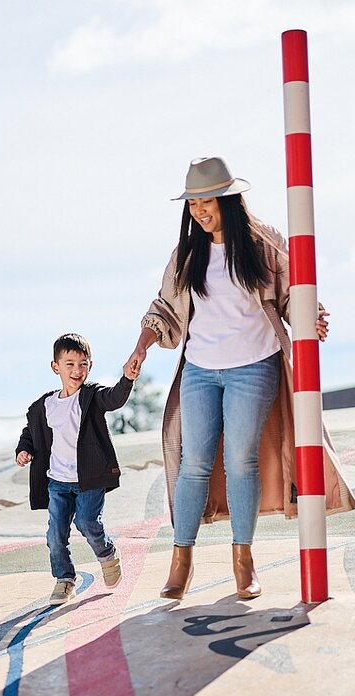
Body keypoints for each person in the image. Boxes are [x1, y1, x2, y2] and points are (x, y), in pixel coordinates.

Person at [125, 155, 354, 601]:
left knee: (241, 460)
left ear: (228, 199)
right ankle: (181, 562)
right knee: (193, 463)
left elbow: (294, 295)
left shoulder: (264, 244)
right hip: (199, 371)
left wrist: (313, 317)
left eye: (206, 201)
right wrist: (140, 347)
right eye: (192, 204)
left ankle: (243, 562)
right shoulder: (186, 255)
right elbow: (164, 310)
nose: (199, 211)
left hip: (254, 367)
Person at [16, 332, 138, 604]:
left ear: (90, 366)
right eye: (69, 364)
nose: (77, 370)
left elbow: (115, 398)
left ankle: (107, 554)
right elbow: (30, 434)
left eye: (83, 363)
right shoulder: (43, 406)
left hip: (89, 479)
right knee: (55, 535)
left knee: (87, 522)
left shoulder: (92, 397)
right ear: (55, 367)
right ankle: (64, 579)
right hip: (57, 481)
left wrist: (127, 378)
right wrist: (23, 450)